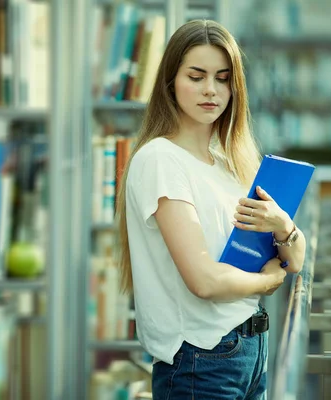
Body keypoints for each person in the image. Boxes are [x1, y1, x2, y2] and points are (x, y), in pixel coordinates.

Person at [115, 20, 306, 399]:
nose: (210, 90)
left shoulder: (230, 162)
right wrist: (267, 283)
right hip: (201, 361)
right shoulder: (160, 159)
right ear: (171, 81)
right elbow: (203, 281)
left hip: (251, 352)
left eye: (222, 78)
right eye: (197, 76)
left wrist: (282, 224)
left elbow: (296, 260)